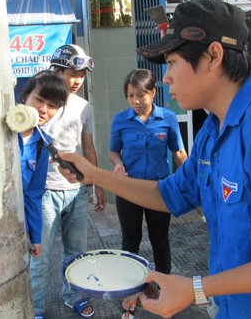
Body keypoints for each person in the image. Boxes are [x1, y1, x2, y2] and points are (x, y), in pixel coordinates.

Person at [56, 0, 251, 319]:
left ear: (214, 55)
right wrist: (95, 175)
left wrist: (197, 288)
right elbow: (170, 194)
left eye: (172, 61)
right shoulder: (215, 127)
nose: (165, 78)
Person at [29, 44, 106, 319]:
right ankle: (35, 307)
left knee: (77, 253)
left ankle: (74, 296)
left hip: (76, 192)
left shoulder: (84, 107)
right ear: (56, 71)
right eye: (72, 73)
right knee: (40, 255)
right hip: (44, 193)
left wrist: (97, 185)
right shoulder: (38, 104)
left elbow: (89, 147)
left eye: (82, 75)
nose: (77, 81)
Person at [109, 68, 187, 319]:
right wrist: (118, 164)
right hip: (129, 190)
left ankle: (164, 289)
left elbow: (178, 153)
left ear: (153, 93)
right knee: (130, 242)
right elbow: (113, 151)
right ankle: (129, 293)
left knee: (160, 242)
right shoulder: (120, 120)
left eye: (140, 96)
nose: (135, 101)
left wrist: (192, 182)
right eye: (130, 96)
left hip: (158, 190)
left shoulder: (168, 119)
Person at [15, 70, 68, 259]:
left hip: (14, 225)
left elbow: (33, 194)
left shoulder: (42, 144)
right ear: (25, 96)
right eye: (39, 100)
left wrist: (35, 236)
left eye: (52, 105)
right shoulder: (1, 129)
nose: (44, 109)